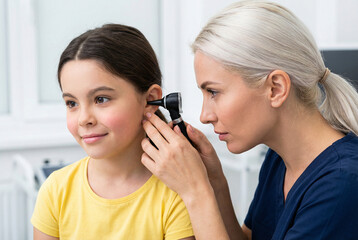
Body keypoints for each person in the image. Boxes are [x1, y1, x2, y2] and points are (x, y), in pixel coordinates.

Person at [141, 1, 358, 240]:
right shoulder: (280, 159)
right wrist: (215, 183)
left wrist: (195, 192)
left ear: (275, 88)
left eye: (213, 92)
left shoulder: (341, 185)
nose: (205, 116)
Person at [31, 24, 195, 240]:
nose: (84, 119)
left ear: (150, 99)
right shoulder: (55, 190)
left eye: (101, 99)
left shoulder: (177, 194)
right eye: (71, 103)